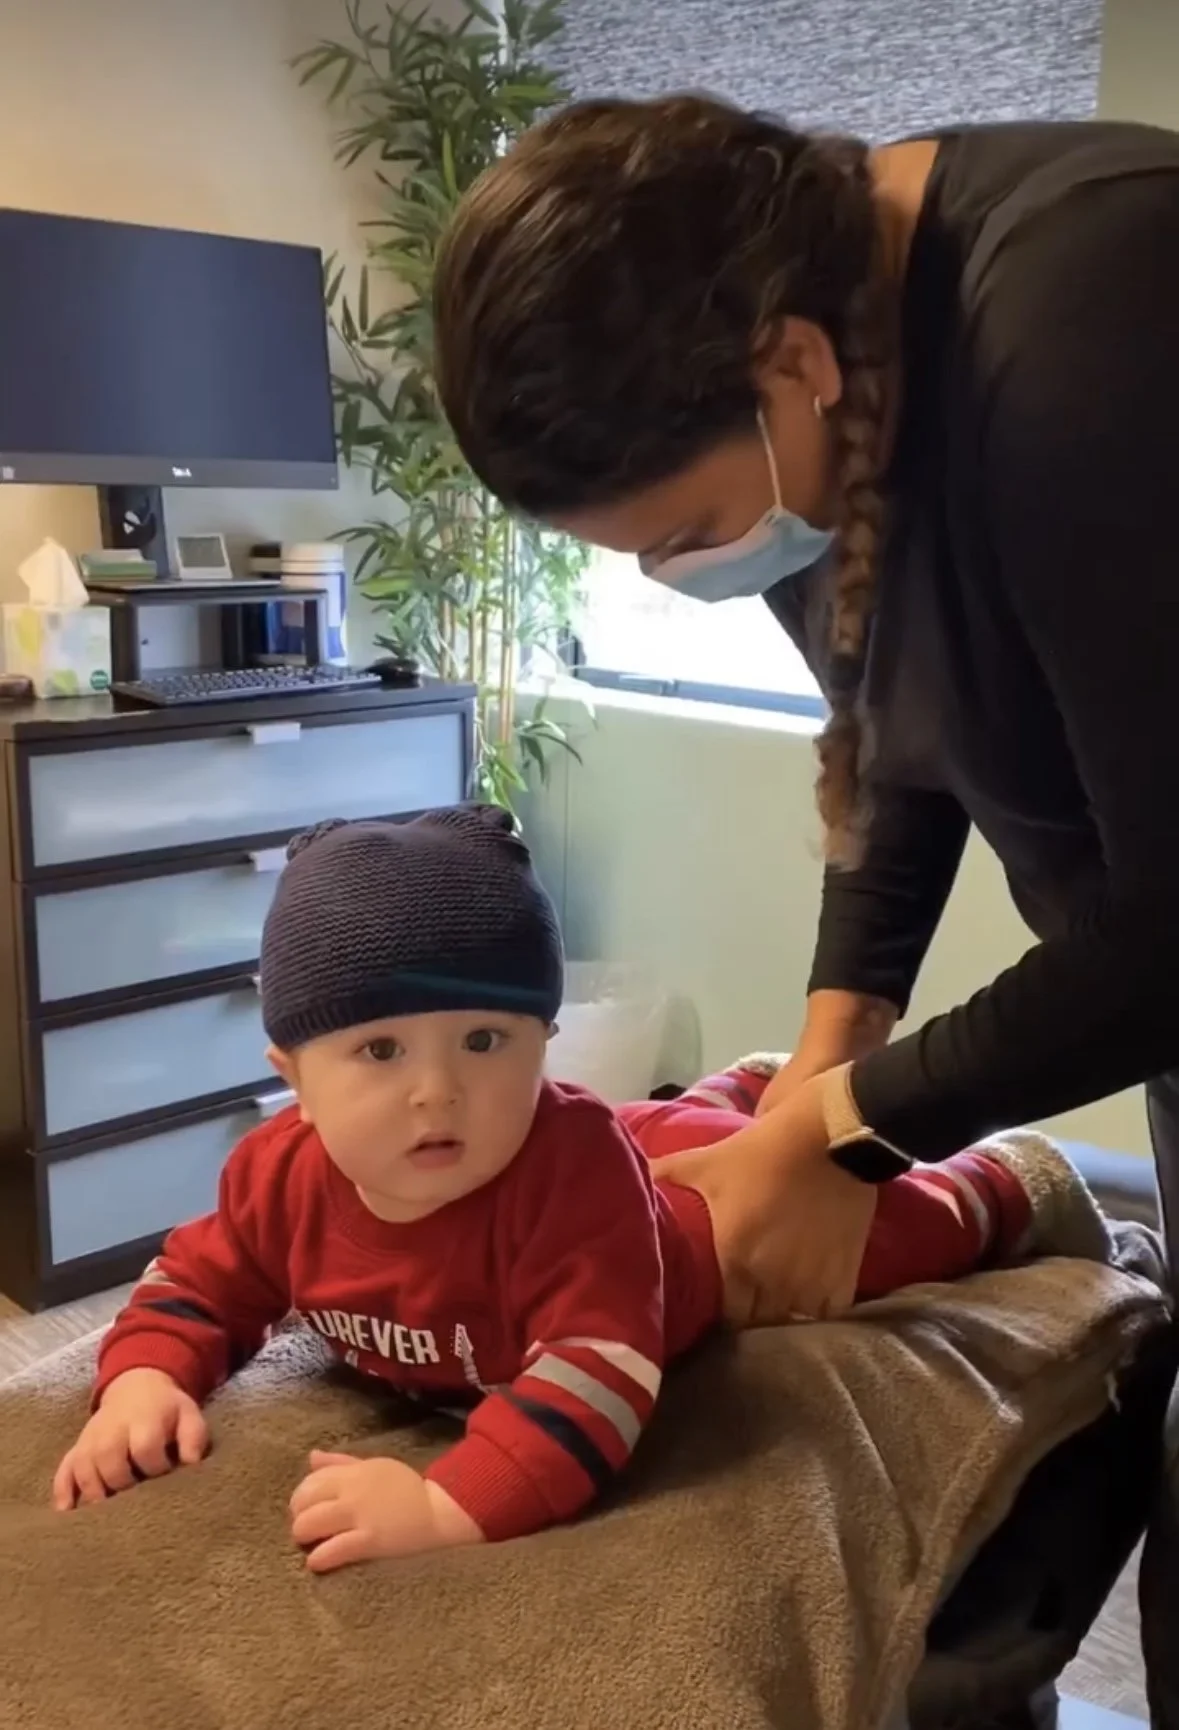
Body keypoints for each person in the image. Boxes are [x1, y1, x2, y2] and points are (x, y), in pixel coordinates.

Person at [431, 99, 1179, 1716]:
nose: (684, 576)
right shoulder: (828, 399)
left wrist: (856, 1133)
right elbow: (899, 742)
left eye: (688, 534)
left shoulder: (1089, 331)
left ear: (790, 364)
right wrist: (816, 1072)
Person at [53, 806, 1104, 1571]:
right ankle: (744, 1088)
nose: (437, 1090)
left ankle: (997, 1176)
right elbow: (197, 1279)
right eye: (378, 1050)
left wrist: (447, 1502)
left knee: (882, 1226)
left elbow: (596, 1374)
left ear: (544, 1040)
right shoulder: (274, 1174)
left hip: (690, 1232)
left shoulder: (576, 1173)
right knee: (664, 1128)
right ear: (290, 1074)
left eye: (485, 1040)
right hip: (609, 1142)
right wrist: (146, 1376)